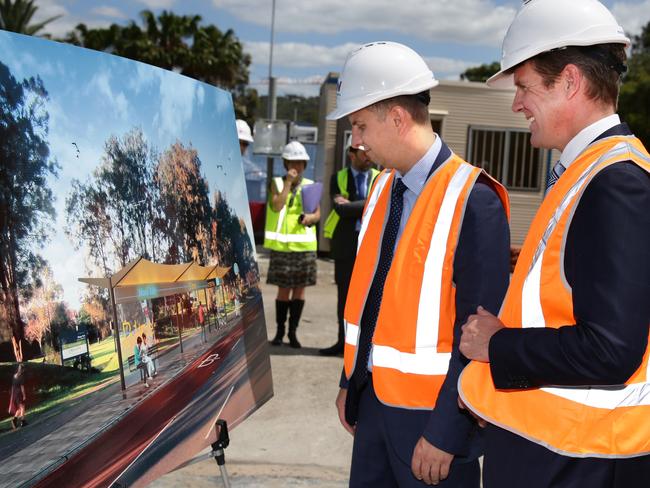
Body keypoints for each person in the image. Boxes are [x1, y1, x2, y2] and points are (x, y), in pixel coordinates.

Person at [457, 1, 650, 487]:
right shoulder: (587, 172)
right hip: (559, 453)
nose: (517, 103)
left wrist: (497, 344)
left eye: (524, 86)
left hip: (579, 462)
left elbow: (611, 350)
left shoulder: (615, 183)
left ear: (569, 81)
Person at [327, 41, 510, 487]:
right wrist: (348, 379)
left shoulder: (475, 200)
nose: (357, 141)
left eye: (359, 125)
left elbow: (480, 329)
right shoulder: (380, 190)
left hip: (433, 428)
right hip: (371, 411)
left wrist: (449, 432)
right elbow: (373, 299)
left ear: (397, 118)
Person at [320, 138, 380, 356]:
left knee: (372, 297)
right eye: (363, 153)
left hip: (371, 247)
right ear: (351, 154)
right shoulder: (338, 178)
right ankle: (343, 342)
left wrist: (361, 205)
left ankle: (366, 346)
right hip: (345, 247)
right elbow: (341, 210)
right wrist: (368, 204)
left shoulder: (379, 177)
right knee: (344, 298)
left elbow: (379, 205)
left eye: (368, 151)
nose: (368, 156)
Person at [264, 140, 321, 348]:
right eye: (292, 163)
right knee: (283, 291)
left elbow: (318, 214)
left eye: (300, 163)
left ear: (305, 164)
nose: (297, 167)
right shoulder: (277, 183)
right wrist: (288, 182)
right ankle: (279, 332)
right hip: (282, 248)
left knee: (299, 291)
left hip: (304, 248)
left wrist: (310, 219)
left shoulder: (311, 186)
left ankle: (293, 333)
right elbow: (277, 206)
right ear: (285, 163)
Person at [8, 363, 27, 429]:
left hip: (15, 394)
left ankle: (14, 420)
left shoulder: (14, 376)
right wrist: (24, 395)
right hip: (19, 394)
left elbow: (13, 386)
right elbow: (22, 388)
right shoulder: (21, 377)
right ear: (23, 370)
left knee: (19, 408)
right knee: (22, 407)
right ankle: (23, 421)